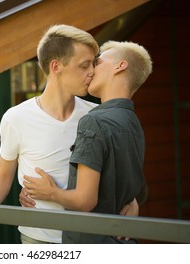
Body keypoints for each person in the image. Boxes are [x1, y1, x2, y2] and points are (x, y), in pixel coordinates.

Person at [0, 25, 138, 244]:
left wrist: (132, 201)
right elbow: (4, 173)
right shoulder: (16, 117)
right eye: (84, 65)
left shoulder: (95, 116)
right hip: (38, 240)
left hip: (89, 240)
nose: (92, 71)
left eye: (93, 63)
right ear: (56, 67)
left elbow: (117, 169)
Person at [23, 40, 152, 243]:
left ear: (120, 66)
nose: (91, 71)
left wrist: (51, 192)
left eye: (97, 62)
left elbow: (85, 201)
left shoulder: (94, 120)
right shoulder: (134, 122)